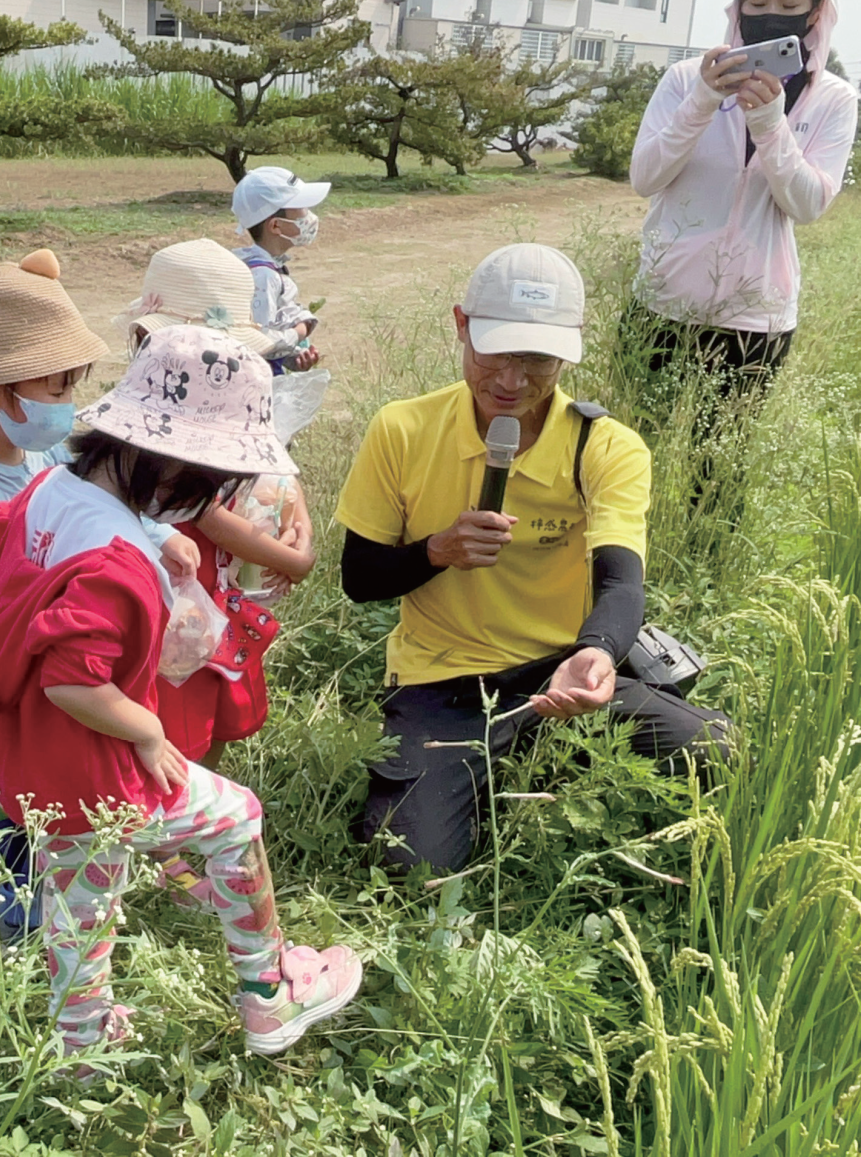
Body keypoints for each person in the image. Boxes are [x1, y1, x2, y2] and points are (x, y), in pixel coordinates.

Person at [0, 324, 362, 1062]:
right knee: (237, 818)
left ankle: (83, 1038)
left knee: (81, 890)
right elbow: (73, 680)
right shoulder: (115, 567)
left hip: (29, 757)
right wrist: (144, 728)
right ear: (175, 472)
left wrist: (149, 534)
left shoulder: (47, 487)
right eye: (214, 486)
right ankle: (270, 997)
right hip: (98, 762)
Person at [335, 244, 733, 874]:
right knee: (411, 868)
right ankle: (476, 764)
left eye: (538, 358)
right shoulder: (402, 429)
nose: (512, 381)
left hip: (560, 669)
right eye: (496, 350)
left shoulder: (605, 445)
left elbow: (621, 583)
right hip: (444, 680)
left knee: (720, 752)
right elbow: (360, 580)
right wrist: (436, 550)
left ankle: (532, 748)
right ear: (461, 324)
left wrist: (597, 652)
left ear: (569, 350)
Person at [0, 249, 197, 945]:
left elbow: (86, 500)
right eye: (54, 385)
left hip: (57, 681)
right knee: (9, 830)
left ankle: (59, 926)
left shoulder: (33, 453)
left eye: (75, 382)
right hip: (4, 704)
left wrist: (157, 533)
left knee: (56, 819)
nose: (68, 401)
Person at [116, 239, 317, 775]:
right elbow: (199, 508)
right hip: (175, 605)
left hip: (220, 599)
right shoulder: (154, 421)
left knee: (211, 725)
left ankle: (198, 829)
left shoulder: (229, 400)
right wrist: (293, 558)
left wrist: (297, 522)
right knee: (171, 732)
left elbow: (277, 462)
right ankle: (170, 846)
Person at [628, 0, 856, 395]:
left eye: (790, 4)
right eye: (757, 2)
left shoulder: (835, 99)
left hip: (757, 319)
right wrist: (702, 100)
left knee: (721, 463)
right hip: (663, 302)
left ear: (815, 11)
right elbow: (645, 178)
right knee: (639, 448)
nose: (772, 14)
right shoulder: (684, 79)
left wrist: (771, 125)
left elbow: (807, 207)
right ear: (738, 8)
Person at [231, 166, 330, 375]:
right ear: (276, 226)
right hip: (256, 382)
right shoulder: (263, 277)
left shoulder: (259, 265)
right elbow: (258, 340)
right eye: (301, 209)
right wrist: (300, 331)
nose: (309, 216)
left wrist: (293, 358)